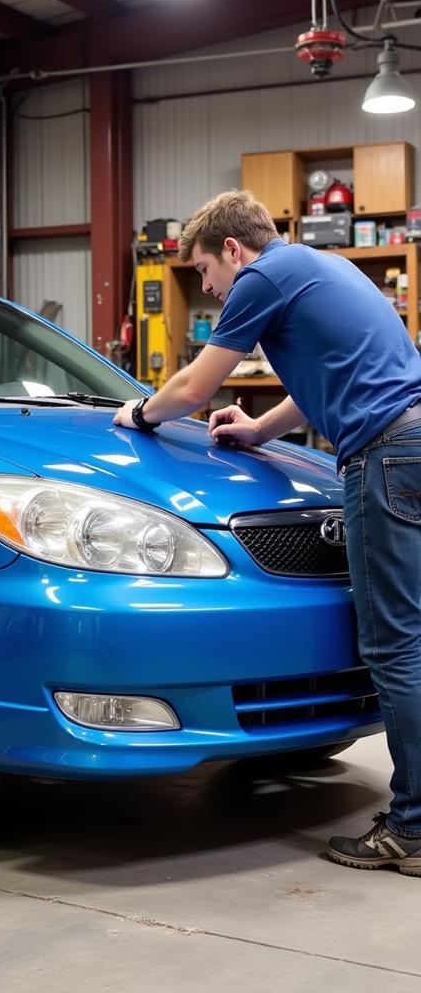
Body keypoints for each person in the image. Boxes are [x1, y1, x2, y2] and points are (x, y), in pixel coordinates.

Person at [113, 190, 421, 875]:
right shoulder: (319, 266)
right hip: (413, 437)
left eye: (202, 270)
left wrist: (140, 412)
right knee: (415, 639)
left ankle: (413, 828)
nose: (207, 287)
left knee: (394, 647)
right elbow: (320, 381)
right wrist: (256, 428)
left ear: (231, 249)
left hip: (387, 453)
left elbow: (193, 388)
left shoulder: (261, 276)